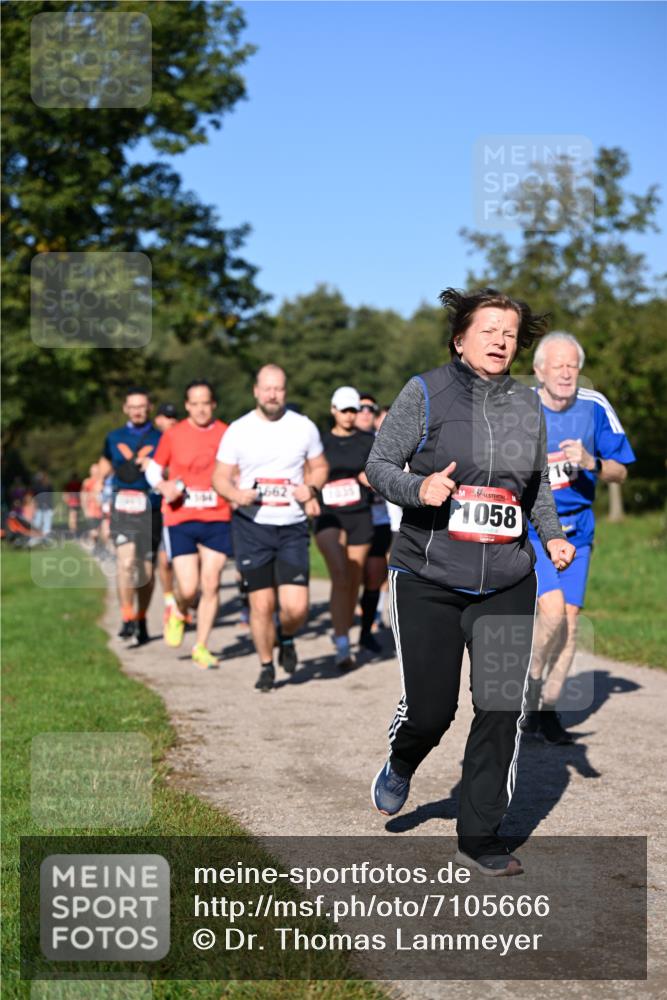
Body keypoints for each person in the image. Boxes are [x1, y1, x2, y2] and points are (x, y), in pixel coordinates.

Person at [366, 287, 575, 876]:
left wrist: (552, 535)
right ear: (460, 339)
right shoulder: (425, 392)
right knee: (432, 712)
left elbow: (534, 489)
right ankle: (403, 762)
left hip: (507, 577)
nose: (501, 341)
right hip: (429, 574)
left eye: (509, 333)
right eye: (489, 331)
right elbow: (378, 465)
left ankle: (480, 837)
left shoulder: (527, 406)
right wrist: (419, 488)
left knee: (501, 707)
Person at [522, 332, 636, 744]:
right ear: (539, 371)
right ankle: (529, 689)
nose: (567, 373)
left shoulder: (594, 407)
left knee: (569, 621)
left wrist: (592, 462)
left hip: (578, 531)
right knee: (551, 612)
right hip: (532, 530)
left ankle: (545, 709)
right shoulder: (520, 406)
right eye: (558, 365)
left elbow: (621, 470)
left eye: (573, 365)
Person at [213, 364, 328, 691]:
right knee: (261, 606)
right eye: (267, 388)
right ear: (256, 391)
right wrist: (236, 494)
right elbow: (219, 476)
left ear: (285, 392)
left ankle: (287, 636)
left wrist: (312, 488)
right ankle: (266, 665)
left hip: (291, 526)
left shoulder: (303, 427)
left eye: (278, 388)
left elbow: (319, 467)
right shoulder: (238, 429)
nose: (272, 394)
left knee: (296, 608)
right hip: (253, 527)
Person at [146, 380, 233, 670]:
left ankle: (202, 646)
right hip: (180, 516)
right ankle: (178, 609)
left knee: (211, 582)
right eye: (194, 403)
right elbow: (154, 469)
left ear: (213, 405)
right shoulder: (174, 434)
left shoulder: (227, 433)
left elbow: (240, 467)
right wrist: (163, 485)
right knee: (189, 587)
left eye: (205, 403)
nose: (200, 409)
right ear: (187, 406)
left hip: (217, 516)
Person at [314, 387, 375, 669]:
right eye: (344, 410)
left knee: (352, 578)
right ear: (333, 410)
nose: (350, 415)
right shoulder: (321, 442)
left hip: (359, 514)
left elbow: (379, 471)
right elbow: (309, 471)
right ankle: (341, 643)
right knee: (339, 574)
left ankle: (344, 629)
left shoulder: (367, 441)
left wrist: (370, 476)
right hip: (329, 516)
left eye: (354, 410)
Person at [98, 388, 162, 646]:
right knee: (126, 564)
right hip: (122, 507)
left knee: (145, 571)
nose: (137, 410)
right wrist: (101, 511)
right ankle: (126, 616)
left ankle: (142, 616)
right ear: (125, 408)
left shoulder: (161, 438)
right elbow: (103, 472)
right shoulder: (114, 438)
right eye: (133, 406)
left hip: (151, 509)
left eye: (142, 406)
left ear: (149, 408)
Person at [354, 394, 392, 653]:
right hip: (350, 519)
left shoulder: (384, 443)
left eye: (371, 409)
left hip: (379, 519)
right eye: (360, 408)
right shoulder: (338, 442)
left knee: (375, 577)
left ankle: (366, 631)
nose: (366, 412)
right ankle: (342, 632)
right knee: (348, 578)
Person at [152, 402, 180, 624]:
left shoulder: (182, 437)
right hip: (160, 507)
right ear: (157, 420)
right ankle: (170, 600)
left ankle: (183, 598)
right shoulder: (153, 440)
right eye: (166, 417)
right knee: (164, 559)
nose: (170, 421)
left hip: (185, 505)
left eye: (173, 417)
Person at [31, 470, 54, 536]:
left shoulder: (48, 486)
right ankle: (37, 535)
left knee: (47, 522)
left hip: (47, 506)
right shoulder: (35, 486)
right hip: (39, 506)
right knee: (37, 522)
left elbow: (50, 496)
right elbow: (34, 497)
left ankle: (45, 535)